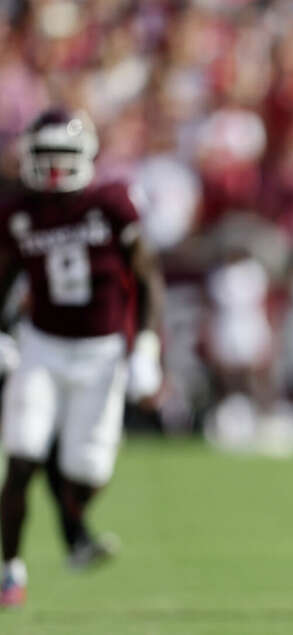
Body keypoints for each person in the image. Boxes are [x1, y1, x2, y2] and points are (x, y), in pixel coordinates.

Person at [0, 109, 165, 607]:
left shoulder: (113, 202)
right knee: (22, 455)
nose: (52, 168)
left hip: (101, 352)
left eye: (62, 156)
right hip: (42, 346)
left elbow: (149, 276)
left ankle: (74, 529)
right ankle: (10, 569)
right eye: (43, 157)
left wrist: (149, 348)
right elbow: (4, 279)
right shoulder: (17, 213)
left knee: (87, 473)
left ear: (87, 156)